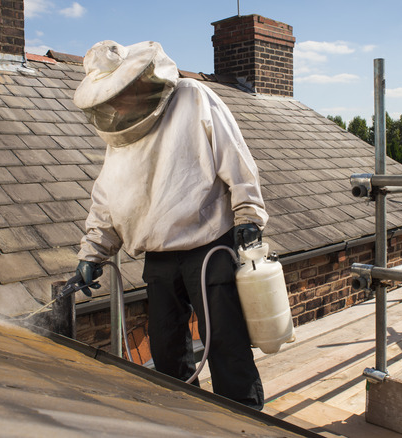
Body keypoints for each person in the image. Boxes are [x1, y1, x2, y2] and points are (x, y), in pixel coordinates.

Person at [68, 40, 268, 410]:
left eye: (121, 94)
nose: (116, 106)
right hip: (158, 255)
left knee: (224, 341)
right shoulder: (121, 133)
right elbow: (110, 199)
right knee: (165, 347)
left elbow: (235, 157)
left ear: (141, 82)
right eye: (109, 100)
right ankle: (183, 417)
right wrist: (91, 254)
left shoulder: (192, 97)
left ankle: (246, 420)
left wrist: (249, 214)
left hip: (208, 243)